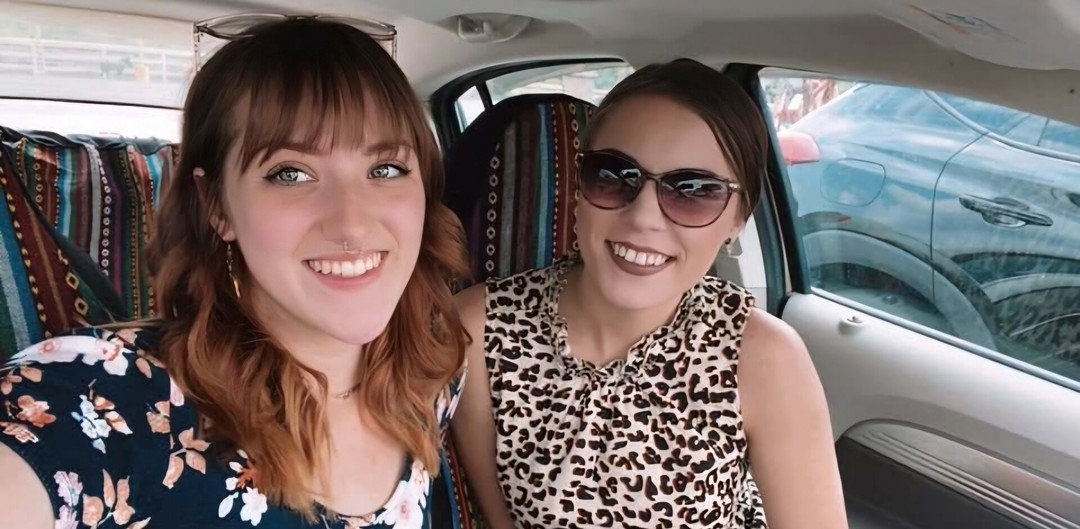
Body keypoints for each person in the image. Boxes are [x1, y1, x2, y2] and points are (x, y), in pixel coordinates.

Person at [0, 17, 469, 529]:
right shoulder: (110, 398)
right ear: (217, 205)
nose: (352, 223)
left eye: (386, 169)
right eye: (291, 173)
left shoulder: (431, 376)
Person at [451, 59, 848, 528]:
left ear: (737, 220)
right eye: (613, 175)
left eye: (693, 191)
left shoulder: (763, 358)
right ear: (578, 187)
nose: (643, 217)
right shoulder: (479, 328)